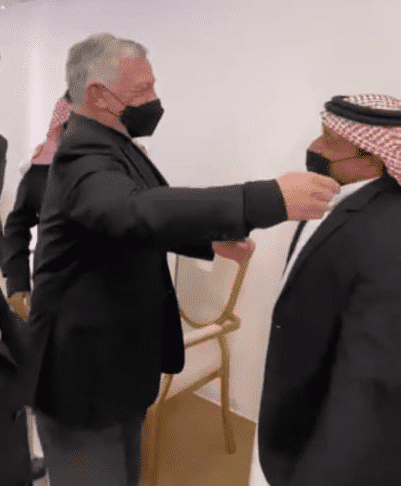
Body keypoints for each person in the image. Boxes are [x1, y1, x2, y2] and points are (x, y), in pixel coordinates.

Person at [21, 33, 339, 486]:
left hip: (116, 363)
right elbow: (131, 210)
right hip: (79, 374)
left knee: (126, 473)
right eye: (142, 90)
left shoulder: (115, 143)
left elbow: (131, 226)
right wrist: (265, 198)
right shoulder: (81, 153)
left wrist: (206, 244)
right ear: (99, 95)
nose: (155, 100)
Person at [253, 94, 401, 486]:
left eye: (330, 141)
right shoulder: (338, 193)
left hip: (321, 446)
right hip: (292, 409)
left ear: (374, 156)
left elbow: (369, 383)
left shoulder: (389, 235)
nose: (315, 147)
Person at [2, 92, 71, 323]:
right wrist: (17, 283)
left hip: (110, 298)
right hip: (51, 293)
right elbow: (16, 226)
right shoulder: (42, 169)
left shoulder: (117, 166)